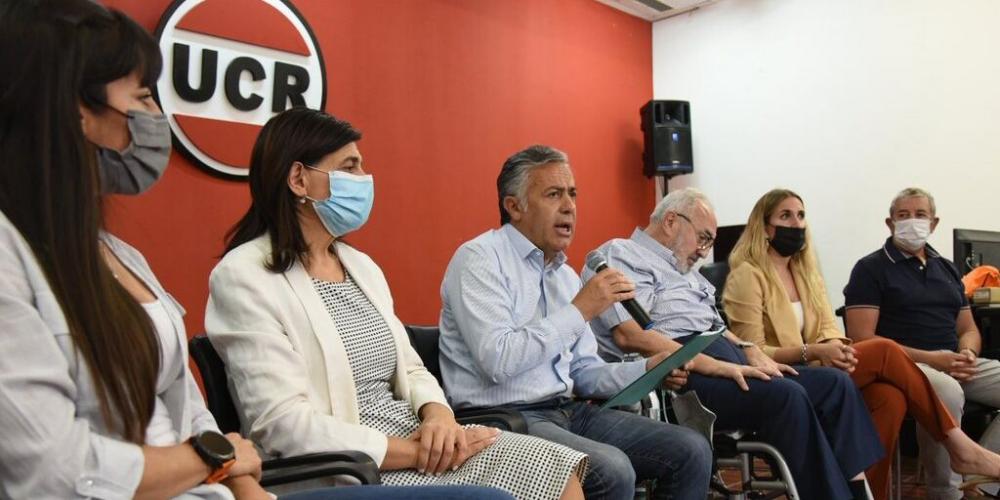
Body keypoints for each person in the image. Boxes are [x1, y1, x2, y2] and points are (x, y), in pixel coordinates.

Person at [0, 3, 519, 500]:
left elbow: (187, 409)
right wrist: (213, 459)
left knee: (545, 468)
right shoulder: (16, 258)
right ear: (76, 112)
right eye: (141, 97)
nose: (155, 117)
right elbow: (55, 471)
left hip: (219, 486)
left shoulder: (121, 256)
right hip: (345, 466)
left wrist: (240, 483)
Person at [205, 109, 587, 500]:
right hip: (352, 464)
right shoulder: (244, 276)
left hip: (413, 434)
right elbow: (284, 425)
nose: (364, 178)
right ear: (299, 179)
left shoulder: (360, 266)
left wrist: (438, 415)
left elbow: (411, 367)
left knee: (555, 467)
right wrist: (417, 453)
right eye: (349, 167)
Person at [438, 145, 713, 500]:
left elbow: (583, 373)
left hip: (565, 410)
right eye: (554, 194)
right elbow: (498, 361)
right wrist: (580, 309)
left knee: (691, 449)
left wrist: (649, 369)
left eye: (572, 194)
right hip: (502, 418)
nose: (569, 206)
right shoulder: (479, 259)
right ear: (514, 206)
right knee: (611, 470)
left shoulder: (565, 276)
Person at [584, 187, 884, 500]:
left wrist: (748, 349)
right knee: (787, 396)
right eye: (703, 238)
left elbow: (717, 327)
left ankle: (857, 493)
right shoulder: (620, 255)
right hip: (680, 375)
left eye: (709, 243)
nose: (704, 252)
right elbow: (631, 335)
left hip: (725, 359)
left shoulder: (688, 273)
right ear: (671, 221)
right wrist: (720, 367)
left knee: (836, 385)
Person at [723, 188, 1000, 500]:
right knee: (884, 349)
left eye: (800, 215)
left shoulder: (805, 271)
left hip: (822, 367)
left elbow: (828, 329)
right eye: (785, 216)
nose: (796, 223)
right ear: (764, 226)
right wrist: (813, 351)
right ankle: (960, 448)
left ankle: (870, 495)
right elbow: (752, 351)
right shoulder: (747, 275)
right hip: (783, 375)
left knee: (889, 397)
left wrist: (835, 347)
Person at [844, 187, 1000, 499]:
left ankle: (981, 480)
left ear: (934, 222)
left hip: (954, 361)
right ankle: (946, 493)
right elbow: (863, 338)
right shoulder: (870, 268)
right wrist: (933, 359)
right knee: (947, 391)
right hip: (905, 366)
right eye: (903, 215)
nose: (911, 221)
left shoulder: (946, 267)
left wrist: (967, 352)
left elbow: (968, 328)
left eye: (920, 215)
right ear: (890, 223)